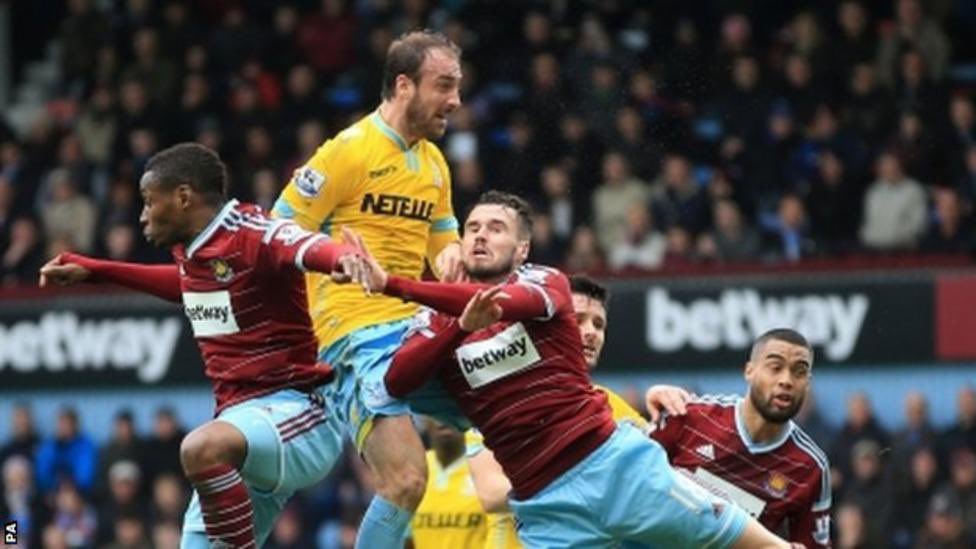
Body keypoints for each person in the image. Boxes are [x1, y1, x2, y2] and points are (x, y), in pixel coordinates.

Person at [343, 190, 797, 548]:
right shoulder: (434, 320)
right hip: (544, 506)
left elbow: (504, 303)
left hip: (611, 467)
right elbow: (395, 381)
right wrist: (455, 328)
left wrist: (395, 285)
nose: (480, 236)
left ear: (522, 247)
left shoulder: (545, 281)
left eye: (496, 228)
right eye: (472, 228)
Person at [38, 143, 367, 548]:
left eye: (147, 202)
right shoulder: (194, 255)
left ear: (183, 196)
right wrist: (96, 270)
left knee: (200, 447)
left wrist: (342, 256)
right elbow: (186, 285)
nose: (142, 215)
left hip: (300, 413)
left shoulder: (251, 232)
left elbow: (301, 244)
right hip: (242, 433)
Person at [270, 29, 464, 548]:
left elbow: (445, 247)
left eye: (458, 87)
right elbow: (276, 230)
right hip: (353, 333)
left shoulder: (434, 165)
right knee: (406, 481)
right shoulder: (347, 152)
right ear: (404, 85)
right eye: (444, 85)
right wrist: (330, 257)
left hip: (414, 326)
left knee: (514, 410)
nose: (456, 100)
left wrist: (455, 261)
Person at [463, 273, 648, 527]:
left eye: (598, 324)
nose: (591, 332)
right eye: (578, 319)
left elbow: (657, 468)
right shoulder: (499, 398)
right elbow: (492, 494)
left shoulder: (613, 405)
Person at [644, 329, 832, 547]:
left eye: (799, 372)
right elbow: (629, 474)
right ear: (749, 371)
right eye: (775, 367)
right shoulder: (689, 416)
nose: (786, 380)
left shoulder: (810, 468)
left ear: (807, 383)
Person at [409, 418, 488, 549]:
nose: (442, 420)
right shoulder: (416, 469)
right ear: (424, 420)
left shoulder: (486, 466)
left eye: (448, 410)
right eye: (434, 413)